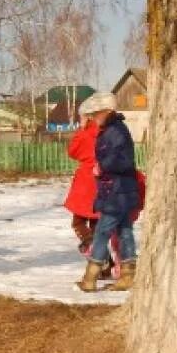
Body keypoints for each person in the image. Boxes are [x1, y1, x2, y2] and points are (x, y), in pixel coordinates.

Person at [77, 93, 141, 293]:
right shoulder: (112, 130)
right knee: (125, 232)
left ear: (106, 111)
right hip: (119, 191)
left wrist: (101, 167)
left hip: (117, 193)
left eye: (96, 114)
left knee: (102, 232)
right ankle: (128, 275)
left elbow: (123, 161)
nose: (94, 118)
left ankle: (91, 277)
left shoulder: (115, 132)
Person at [63, 105, 101, 255]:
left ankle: (90, 243)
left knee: (78, 223)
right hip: (101, 182)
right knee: (96, 225)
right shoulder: (104, 132)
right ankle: (105, 266)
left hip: (86, 182)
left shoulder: (85, 133)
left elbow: (72, 151)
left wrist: (81, 130)